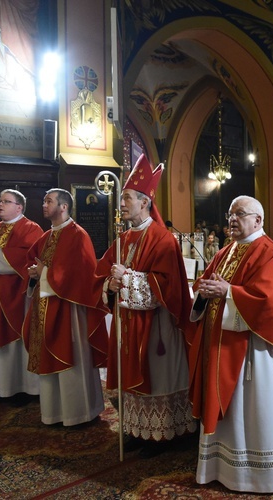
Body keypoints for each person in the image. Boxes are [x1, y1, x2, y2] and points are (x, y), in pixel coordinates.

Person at [187, 195, 273, 493]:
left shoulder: (272, 253)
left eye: (239, 214)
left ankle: (257, 475)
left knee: (250, 410)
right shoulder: (226, 252)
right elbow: (206, 285)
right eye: (230, 214)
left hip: (251, 351)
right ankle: (221, 468)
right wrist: (204, 293)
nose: (232, 219)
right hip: (220, 347)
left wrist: (228, 291)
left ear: (258, 220)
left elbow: (271, 303)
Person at [96, 157, 196, 457]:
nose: (122, 204)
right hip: (128, 323)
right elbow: (101, 274)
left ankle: (162, 434)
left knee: (158, 374)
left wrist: (125, 277)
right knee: (129, 377)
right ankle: (137, 430)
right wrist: (109, 286)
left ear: (145, 202)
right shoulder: (123, 237)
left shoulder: (162, 239)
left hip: (157, 326)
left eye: (126, 198)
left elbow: (164, 285)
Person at [23, 189, 108, 426]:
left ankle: (80, 413)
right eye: (43, 200)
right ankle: (54, 413)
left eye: (48, 201)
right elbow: (35, 265)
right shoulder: (47, 237)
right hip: (45, 305)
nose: (43, 204)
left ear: (63, 207)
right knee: (48, 359)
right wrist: (34, 274)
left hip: (70, 309)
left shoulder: (77, 235)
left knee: (72, 359)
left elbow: (81, 275)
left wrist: (44, 273)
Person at [0, 190, 43, 402]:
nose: (0, 204)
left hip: (16, 295)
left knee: (17, 342)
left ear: (19, 207)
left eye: (6, 201)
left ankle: (21, 388)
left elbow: (28, 258)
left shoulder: (31, 228)